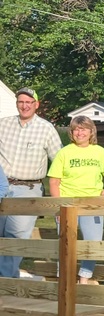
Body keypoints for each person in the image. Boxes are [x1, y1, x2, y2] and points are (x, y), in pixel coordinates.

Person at [0, 87, 63, 278]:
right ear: (17, 103)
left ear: (36, 104)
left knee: (16, 235)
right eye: (21, 102)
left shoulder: (46, 129)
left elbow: (60, 160)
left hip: (28, 188)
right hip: (2, 184)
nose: (24, 105)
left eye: (29, 102)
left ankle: (6, 282)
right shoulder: (3, 125)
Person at [48, 116, 104, 284]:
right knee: (65, 243)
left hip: (92, 204)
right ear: (72, 132)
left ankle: (84, 277)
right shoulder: (64, 152)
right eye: (76, 129)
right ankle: (64, 277)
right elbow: (54, 181)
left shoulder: (101, 153)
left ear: (91, 131)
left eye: (83, 129)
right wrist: (59, 205)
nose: (80, 133)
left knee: (92, 243)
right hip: (67, 203)